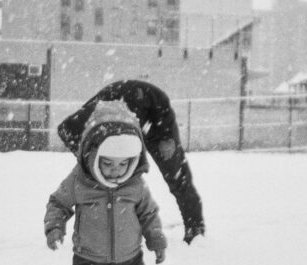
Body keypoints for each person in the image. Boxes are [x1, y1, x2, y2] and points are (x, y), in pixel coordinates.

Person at [44, 100, 167, 265]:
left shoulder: (135, 186)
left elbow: (148, 213)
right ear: (91, 154)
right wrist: (54, 227)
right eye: (108, 163)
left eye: (123, 164)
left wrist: (156, 238)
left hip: (130, 264)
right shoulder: (79, 181)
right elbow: (58, 203)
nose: (115, 170)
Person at [57, 80, 205, 244]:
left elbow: (67, 131)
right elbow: (65, 130)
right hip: (121, 112)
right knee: (116, 180)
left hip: (155, 116)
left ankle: (195, 228)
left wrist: (167, 137)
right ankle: (121, 229)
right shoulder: (92, 120)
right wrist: (92, 162)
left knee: (175, 174)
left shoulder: (112, 120)